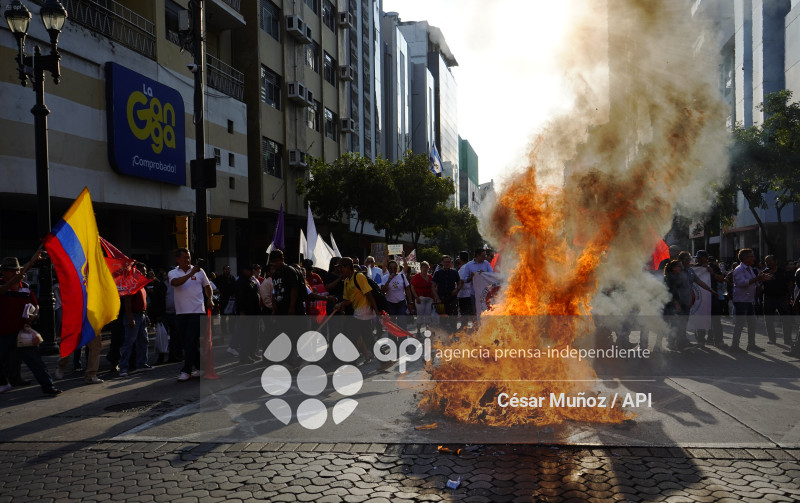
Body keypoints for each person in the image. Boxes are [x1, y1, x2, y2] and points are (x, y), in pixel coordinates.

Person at [0, 252, 61, 395]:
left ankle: (48, 387)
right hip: (3, 332)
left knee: (36, 361)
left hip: (22, 331)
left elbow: (35, 304)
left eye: (16, 270)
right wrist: (11, 282)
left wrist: (34, 314)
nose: (15, 273)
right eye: (11, 271)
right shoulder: (2, 285)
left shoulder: (25, 287)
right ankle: (4, 382)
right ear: (4, 272)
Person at [169, 248, 213, 381]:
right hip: (181, 312)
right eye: (184, 257)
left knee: (190, 340)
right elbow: (175, 283)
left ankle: (186, 370)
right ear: (177, 259)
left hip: (197, 311)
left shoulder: (200, 271)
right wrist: (190, 274)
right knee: (188, 343)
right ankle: (201, 368)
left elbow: (207, 286)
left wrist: (209, 299)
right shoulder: (173, 272)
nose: (187, 260)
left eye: (188, 257)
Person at [333, 257, 376, 362]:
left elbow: (369, 294)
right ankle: (383, 358)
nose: (340, 270)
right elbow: (348, 300)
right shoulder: (346, 281)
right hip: (357, 312)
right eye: (339, 268)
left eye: (342, 267)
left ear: (348, 267)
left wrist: (376, 310)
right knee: (365, 336)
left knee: (354, 335)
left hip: (365, 311)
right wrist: (340, 305)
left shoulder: (359, 276)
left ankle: (352, 360)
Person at [730, 248, 771, 353]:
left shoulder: (750, 268)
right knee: (740, 324)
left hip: (748, 300)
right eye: (751, 256)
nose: (754, 258)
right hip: (741, 301)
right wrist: (757, 279)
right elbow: (742, 283)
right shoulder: (739, 269)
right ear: (745, 258)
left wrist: (761, 279)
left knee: (752, 324)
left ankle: (751, 345)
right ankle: (735, 346)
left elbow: (754, 283)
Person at [118, 274, 154, 377]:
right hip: (134, 315)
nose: (145, 274)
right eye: (142, 271)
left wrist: (146, 316)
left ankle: (141, 364)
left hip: (141, 315)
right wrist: (130, 318)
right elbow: (127, 302)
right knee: (129, 342)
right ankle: (123, 368)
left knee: (143, 340)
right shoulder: (132, 285)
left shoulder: (141, 286)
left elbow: (143, 303)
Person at [761, 255, 793, 345]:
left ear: (775, 261)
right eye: (766, 261)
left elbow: (790, 284)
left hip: (782, 297)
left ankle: (787, 339)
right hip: (768, 298)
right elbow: (758, 285)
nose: (768, 263)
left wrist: (791, 297)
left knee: (786, 319)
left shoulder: (783, 272)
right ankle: (772, 339)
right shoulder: (764, 273)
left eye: (770, 261)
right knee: (769, 320)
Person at [458, 248, 494, 319]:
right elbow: (465, 279)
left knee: (486, 310)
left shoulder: (486, 263)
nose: (485, 257)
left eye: (485, 255)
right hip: (474, 294)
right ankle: (476, 325)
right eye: (483, 256)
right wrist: (471, 277)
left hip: (486, 293)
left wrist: (484, 273)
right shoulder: (469, 265)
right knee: (475, 312)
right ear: (477, 255)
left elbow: (492, 275)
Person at [432, 255, 461, 332]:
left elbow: (459, 283)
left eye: (448, 262)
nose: (447, 263)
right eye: (445, 262)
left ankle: (453, 334)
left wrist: (457, 289)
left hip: (452, 299)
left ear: (451, 263)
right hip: (440, 300)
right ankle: (443, 336)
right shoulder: (438, 273)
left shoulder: (454, 272)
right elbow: (433, 286)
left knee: (453, 319)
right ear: (442, 263)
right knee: (442, 320)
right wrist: (437, 298)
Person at [410, 261, 439, 333]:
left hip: (429, 298)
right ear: (420, 268)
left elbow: (434, 287)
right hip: (420, 298)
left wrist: (435, 295)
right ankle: (418, 331)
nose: (425, 269)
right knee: (420, 316)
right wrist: (416, 297)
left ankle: (427, 331)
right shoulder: (416, 276)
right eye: (423, 267)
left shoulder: (430, 277)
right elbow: (412, 287)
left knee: (428, 316)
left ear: (428, 268)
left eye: (426, 267)